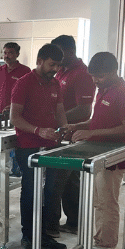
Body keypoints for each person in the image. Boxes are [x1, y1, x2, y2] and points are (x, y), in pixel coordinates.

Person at [66, 52, 125, 249]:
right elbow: (97, 121)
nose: (95, 80)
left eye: (99, 76)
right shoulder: (103, 90)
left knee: (107, 203)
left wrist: (91, 133)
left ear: (113, 71)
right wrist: (78, 126)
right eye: (93, 76)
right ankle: (99, 243)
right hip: (97, 155)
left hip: (113, 157)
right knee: (98, 202)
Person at [9, 43, 68, 249]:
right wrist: (38, 130)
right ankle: (28, 235)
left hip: (51, 146)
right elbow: (15, 117)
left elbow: (60, 111)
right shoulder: (24, 83)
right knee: (31, 191)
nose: (55, 70)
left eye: (58, 66)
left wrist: (65, 128)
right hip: (29, 146)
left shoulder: (55, 84)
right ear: (39, 61)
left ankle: (43, 235)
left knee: (49, 192)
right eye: (52, 65)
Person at [47, 34, 96, 237]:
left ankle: (50, 227)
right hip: (61, 134)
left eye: (59, 53)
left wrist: (56, 120)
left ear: (70, 51)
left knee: (56, 181)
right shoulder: (61, 71)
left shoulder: (82, 74)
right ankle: (74, 222)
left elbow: (84, 110)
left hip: (70, 135)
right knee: (69, 182)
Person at [0, 42, 30, 176]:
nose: (7, 56)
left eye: (11, 53)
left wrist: (14, 106)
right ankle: (4, 172)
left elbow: (30, 94)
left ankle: (17, 170)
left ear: (17, 54)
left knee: (17, 143)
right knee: (3, 146)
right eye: (5, 53)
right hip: (3, 114)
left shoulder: (25, 71)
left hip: (20, 115)